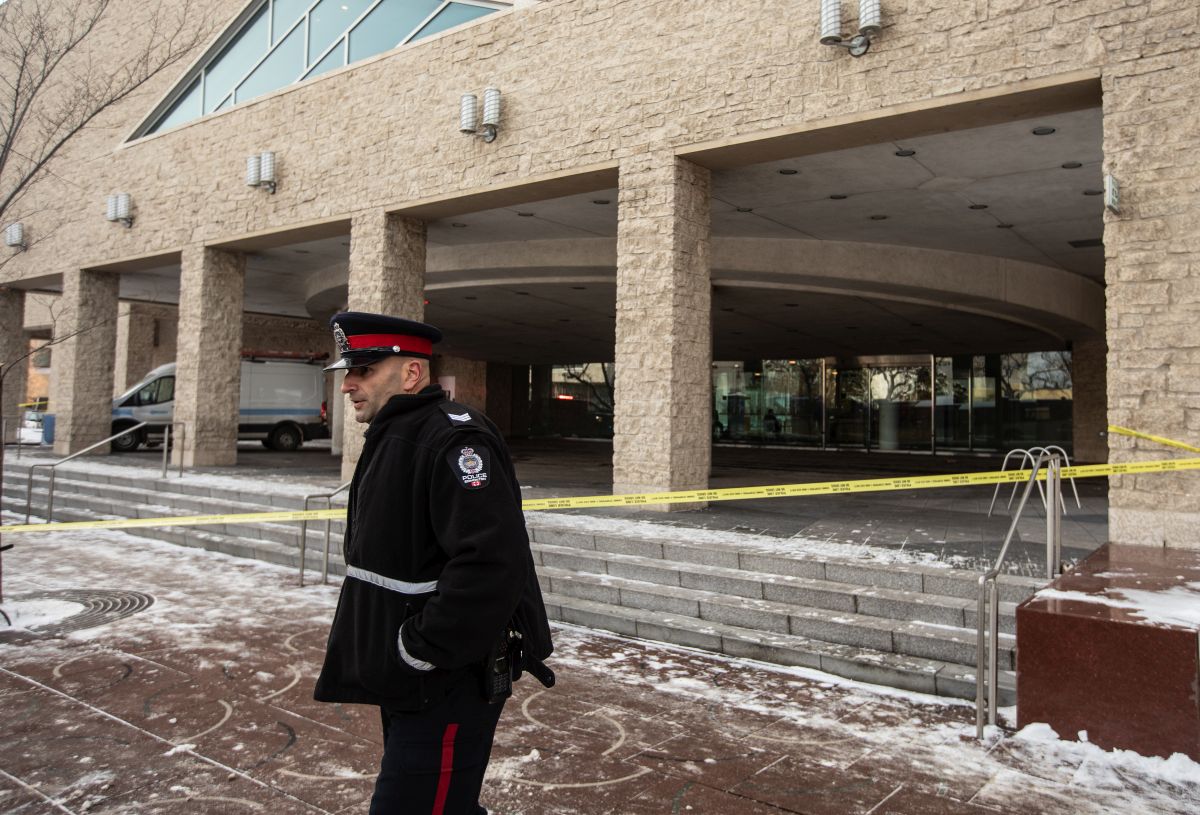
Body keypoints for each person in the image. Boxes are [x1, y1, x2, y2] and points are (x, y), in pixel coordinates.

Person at [313, 311, 553, 815]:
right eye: (348, 372)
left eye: (363, 371)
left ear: (411, 373)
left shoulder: (453, 439)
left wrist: (419, 649)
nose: (348, 385)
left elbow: (491, 564)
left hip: (444, 679)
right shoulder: (394, 435)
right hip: (409, 678)